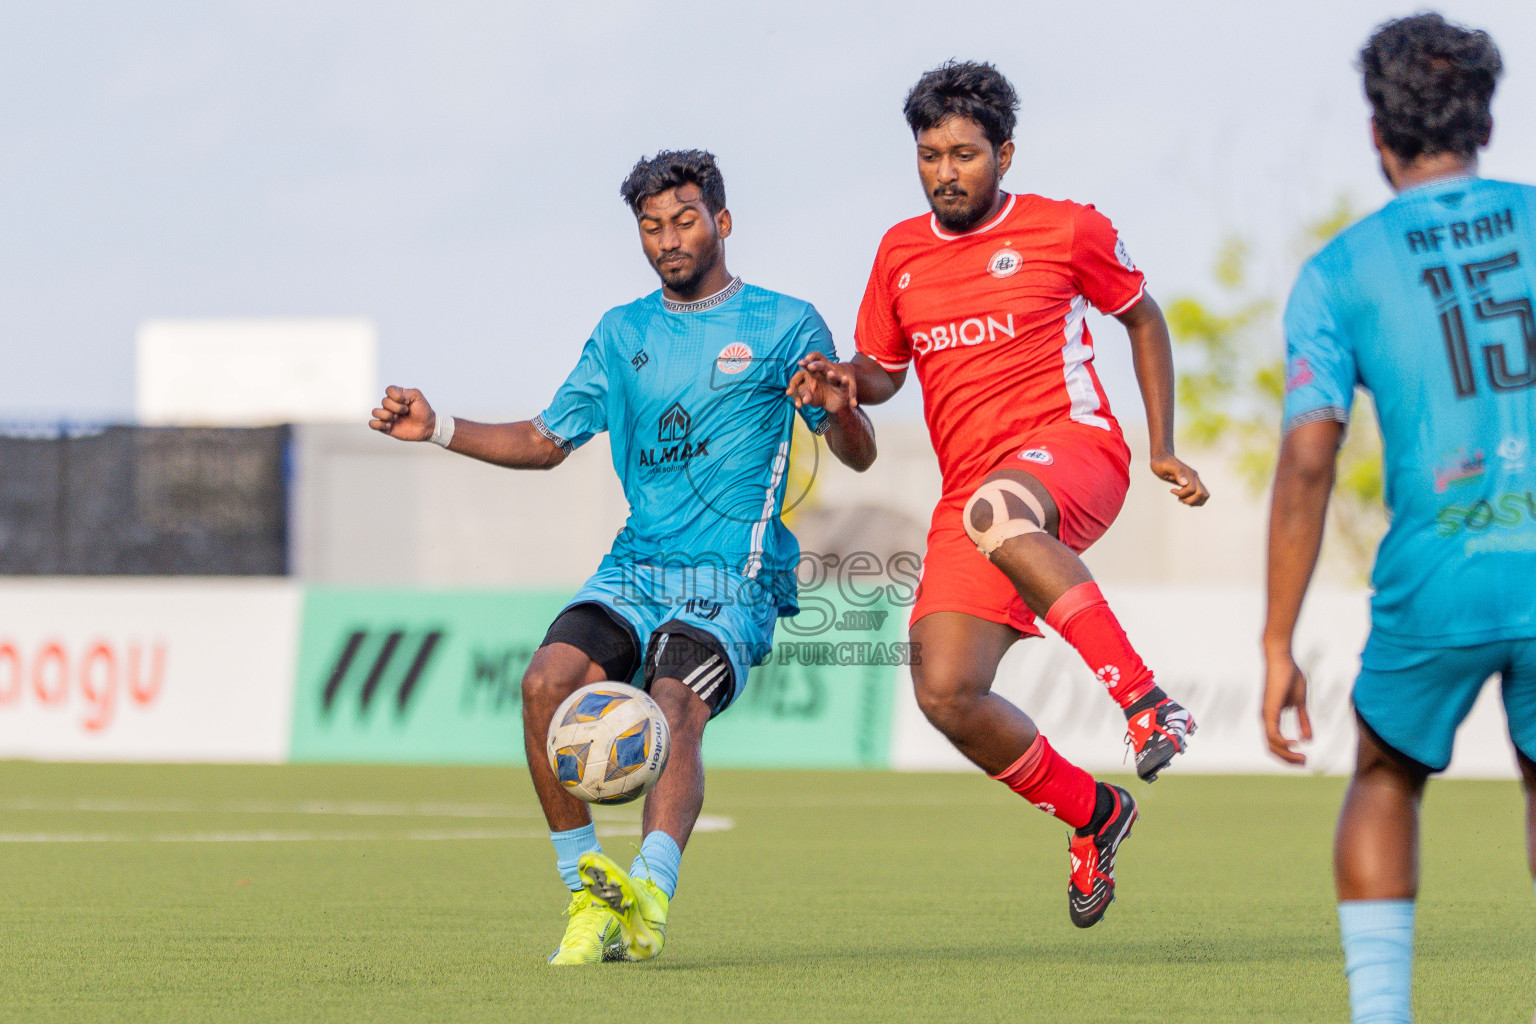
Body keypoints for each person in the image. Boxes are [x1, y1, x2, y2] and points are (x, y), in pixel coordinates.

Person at [369, 150, 876, 965]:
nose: (668, 239)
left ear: (722, 220)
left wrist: (839, 408)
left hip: (732, 578)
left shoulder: (788, 325)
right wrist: (436, 427)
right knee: (543, 685)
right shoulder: (622, 333)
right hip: (634, 570)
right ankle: (586, 896)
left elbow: (858, 453)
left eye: (683, 219)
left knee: (676, 704)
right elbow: (543, 441)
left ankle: (649, 897)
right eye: (650, 226)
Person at [790, 61, 1207, 928]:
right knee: (945, 691)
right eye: (931, 154)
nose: (946, 171)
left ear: (1004, 155)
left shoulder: (1068, 230)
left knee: (998, 510)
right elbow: (884, 372)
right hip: (973, 496)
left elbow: (1143, 315)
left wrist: (1163, 444)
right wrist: (841, 383)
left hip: (1075, 451)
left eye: (965, 154)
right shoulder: (900, 252)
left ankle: (1143, 701)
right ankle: (1095, 815)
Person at [1263, 13, 1535, 1023]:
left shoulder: (1339, 270)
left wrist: (1276, 637)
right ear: (1486, 121)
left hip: (1441, 571)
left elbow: (1306, 459)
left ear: (1378, 133)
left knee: (1384, 773)